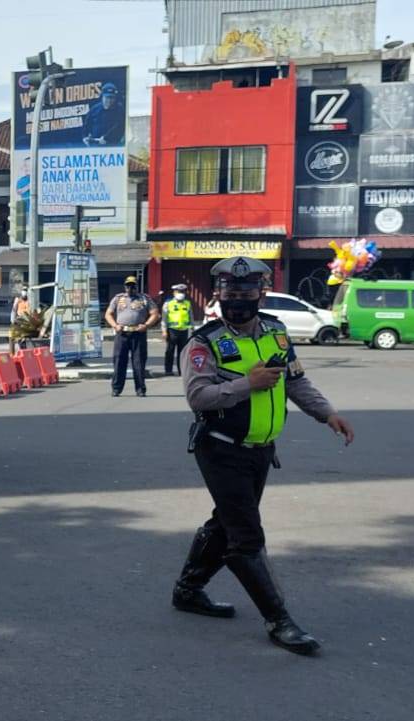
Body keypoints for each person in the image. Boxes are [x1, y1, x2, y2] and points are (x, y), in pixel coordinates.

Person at [172, 255, 355, 656]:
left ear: (262, 293)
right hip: (220, 447)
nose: (238, 299)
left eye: (246, 292)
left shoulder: (276, 332)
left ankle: (188, 590)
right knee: (246, 538)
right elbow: (198, 397)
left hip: (260, 451)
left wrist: (327, 414)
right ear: (218, 295)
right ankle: (279, 620)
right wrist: (246, 383)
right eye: (230, 293)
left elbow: (295, 381)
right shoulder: (203, 342)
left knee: (226, 523)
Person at [104, 275, 159, 397]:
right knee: (119, 362)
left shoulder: (144, 298)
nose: (130, 288)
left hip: (138, 333)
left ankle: (140, 389)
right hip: (122, 333)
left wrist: (146, 325)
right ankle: (116, 389)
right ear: (125, 286)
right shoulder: (118, 298)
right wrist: (115, 325)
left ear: (137, 286)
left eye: (133, 286)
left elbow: (155, 314)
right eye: (128, 286)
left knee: (139, 363)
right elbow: (108, 314)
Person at [162, 283, 193, 377]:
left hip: (184, 331)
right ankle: (168, 370)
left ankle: (181, 371)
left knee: (182, 352)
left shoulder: (187, 303)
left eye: (183, 291)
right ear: (174, 292)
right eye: (179, 291)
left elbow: (191, 317)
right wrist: (164, 331)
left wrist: (192, 328)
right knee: (170, 351)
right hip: (172, 330)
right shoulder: (168, 303)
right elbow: (164, 318)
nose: (181, 293)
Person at [81, 82, 124, 147]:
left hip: (113, 146)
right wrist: (85, 137)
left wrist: (106, 138)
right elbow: (86, 125)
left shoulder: (120, 110)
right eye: (106, 97)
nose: (109, 100)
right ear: (102, 97)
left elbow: (119, 126)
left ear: (115, 98)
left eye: (112, 98)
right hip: (95, 145)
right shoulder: (95, 109)